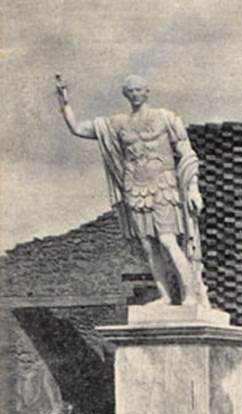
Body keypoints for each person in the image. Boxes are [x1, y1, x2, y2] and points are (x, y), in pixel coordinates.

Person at [56, 74, 208, 307]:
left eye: (139, 90)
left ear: (147, 91)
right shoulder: (117, 123)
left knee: (168, 240)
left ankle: (191, 295)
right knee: (148, 246)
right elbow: (77, 128)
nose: (135, 94)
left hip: (164, 186)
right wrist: (64, 102)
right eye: (130, 91)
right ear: (125, 95)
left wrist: (193, 187)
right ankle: (165, 296)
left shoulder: (166, 117)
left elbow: (187, 153)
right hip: (135, 189)